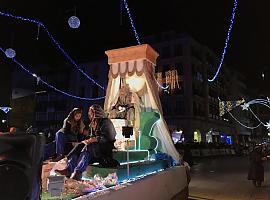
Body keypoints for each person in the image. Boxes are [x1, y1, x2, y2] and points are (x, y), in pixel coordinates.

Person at [56, 104, 117, 180]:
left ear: (95, 113)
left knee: (88, 147)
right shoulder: (93, 123)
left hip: (104, 148)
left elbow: (110, 137)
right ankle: (69, 169)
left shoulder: (106, 122)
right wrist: (87, 140)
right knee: (80, 146)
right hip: (95, 147)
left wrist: (95, 139)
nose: (89, 114)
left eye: (90, 112)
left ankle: (78, 172)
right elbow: (91, 136)